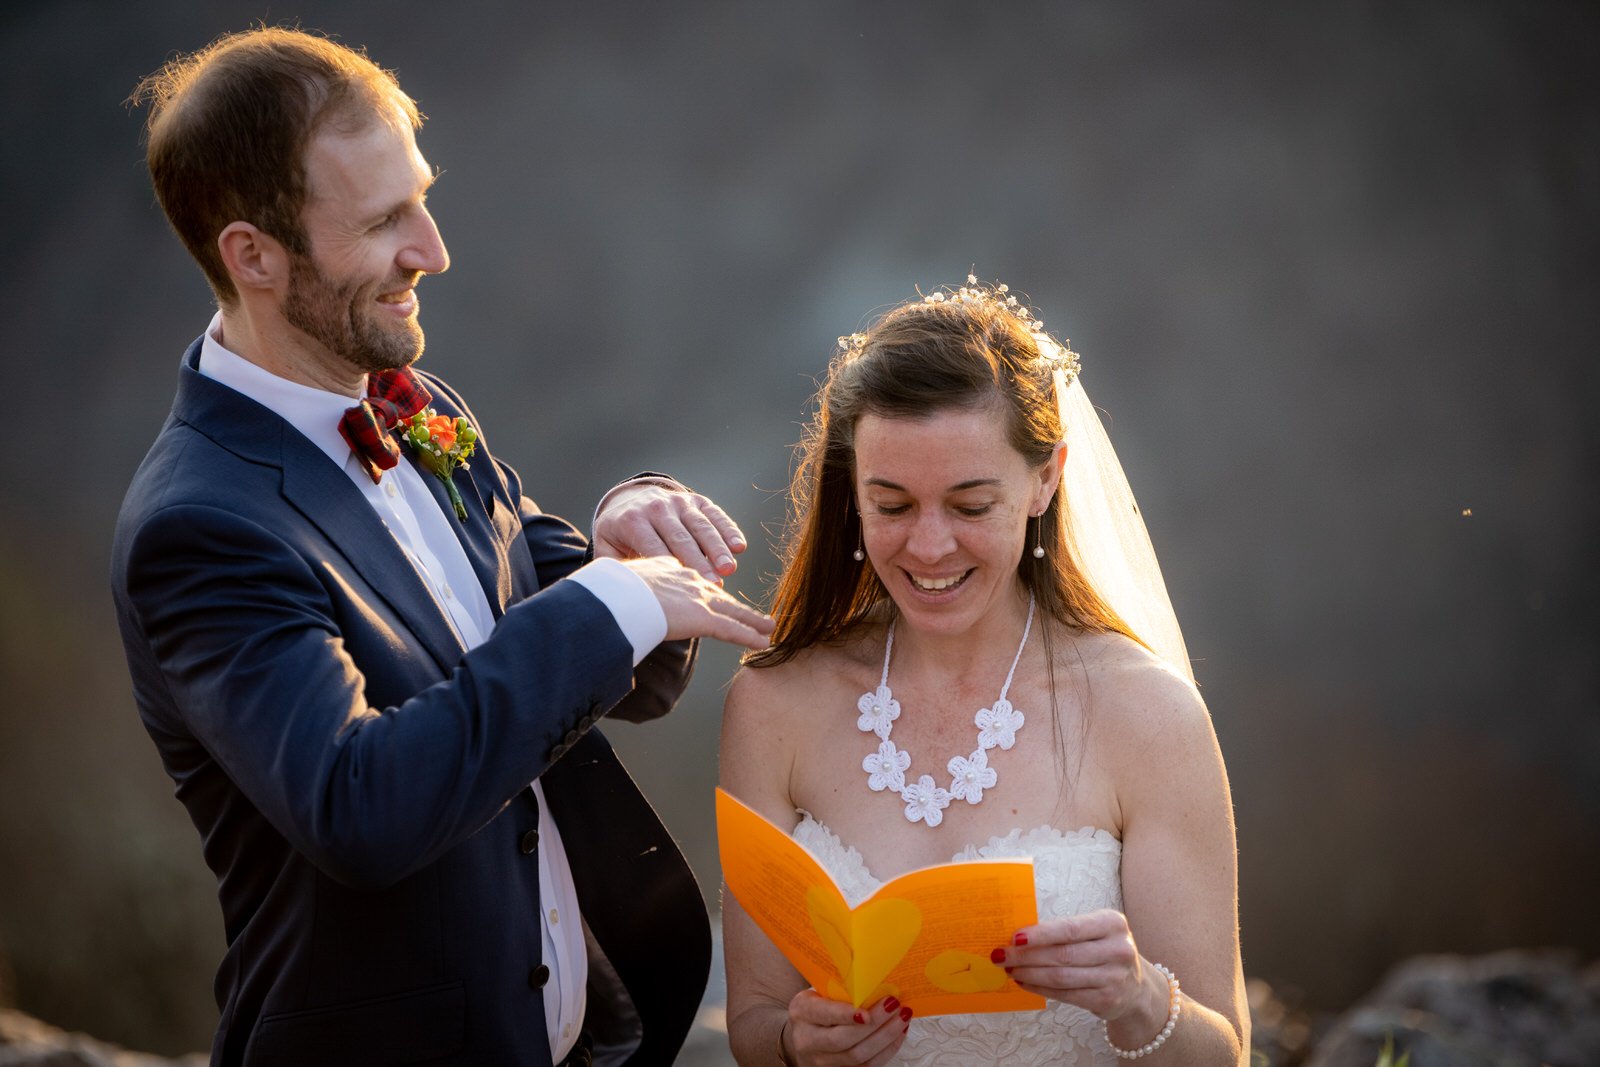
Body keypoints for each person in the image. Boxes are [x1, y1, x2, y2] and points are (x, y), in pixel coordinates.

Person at [111, 27, 773, 1067]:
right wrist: (608, 605)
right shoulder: (199, 526)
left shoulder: (412, 405)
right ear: (253, 255)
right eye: (383, 221)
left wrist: (624, 530)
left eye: (422, 195)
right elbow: (359, 804)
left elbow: (594, 662)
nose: (433, 247)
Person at [720, 278, 1247, 1065]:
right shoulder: (772, 704)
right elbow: (753, 1024)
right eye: (892, 505)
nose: (929, 547)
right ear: (851, 491)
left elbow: (1227, 1050)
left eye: (970, 506)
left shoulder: (1148, 714)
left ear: (1046, 478)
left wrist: (1139, 996)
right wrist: (799, 1042)